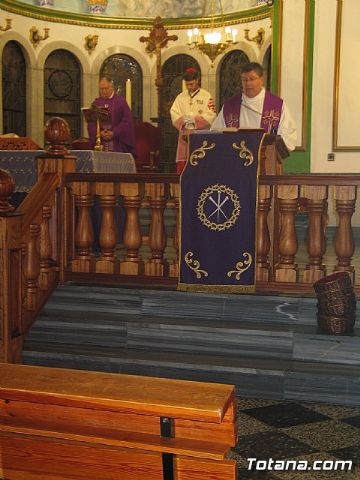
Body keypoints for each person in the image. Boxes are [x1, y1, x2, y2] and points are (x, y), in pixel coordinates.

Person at [211, 62, 297, 151]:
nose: (248, 83)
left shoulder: (277, 105)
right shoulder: (230, 106)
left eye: (252, 79)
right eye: (244, 79)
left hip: (266, 160)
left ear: (261, 80)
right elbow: (215, 133)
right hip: (236, 160)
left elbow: (289, 136)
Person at [170, 68, 216, 174]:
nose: (189, 87)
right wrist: (189, 120)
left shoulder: (206, 96)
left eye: (191, 84)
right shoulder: (180, 97)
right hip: (184, 138)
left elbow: (211, 115)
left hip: (200, 137)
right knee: (184, 168)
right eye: (187, 85)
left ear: (197, 80)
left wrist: (190, 120)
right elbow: (174, 114)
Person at [87, 76, 136, 156]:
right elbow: (91, 123)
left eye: (106, 88)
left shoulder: (120, 101)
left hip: (117, 143)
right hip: (101, 143)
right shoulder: (96, 103)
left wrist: (114, 132)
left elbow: (127, 122)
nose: (103, 91)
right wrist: (99, 133)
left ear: (112, 87)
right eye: (101, 89)